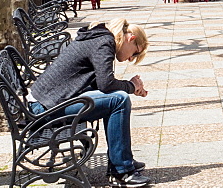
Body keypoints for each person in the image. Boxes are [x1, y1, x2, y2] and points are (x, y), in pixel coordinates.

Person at [29, 18, 150, 187]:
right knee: (119, 100)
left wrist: (129, 86)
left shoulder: (100, 38)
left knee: (116, 98)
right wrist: (131, 86)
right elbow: (106, 84)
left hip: (45, 103)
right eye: (135, 53)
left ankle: (123, 160)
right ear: (130, 38)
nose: (131, 59)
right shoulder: (104, 42)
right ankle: (121, 171)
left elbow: (102, 84)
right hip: (44, 109)